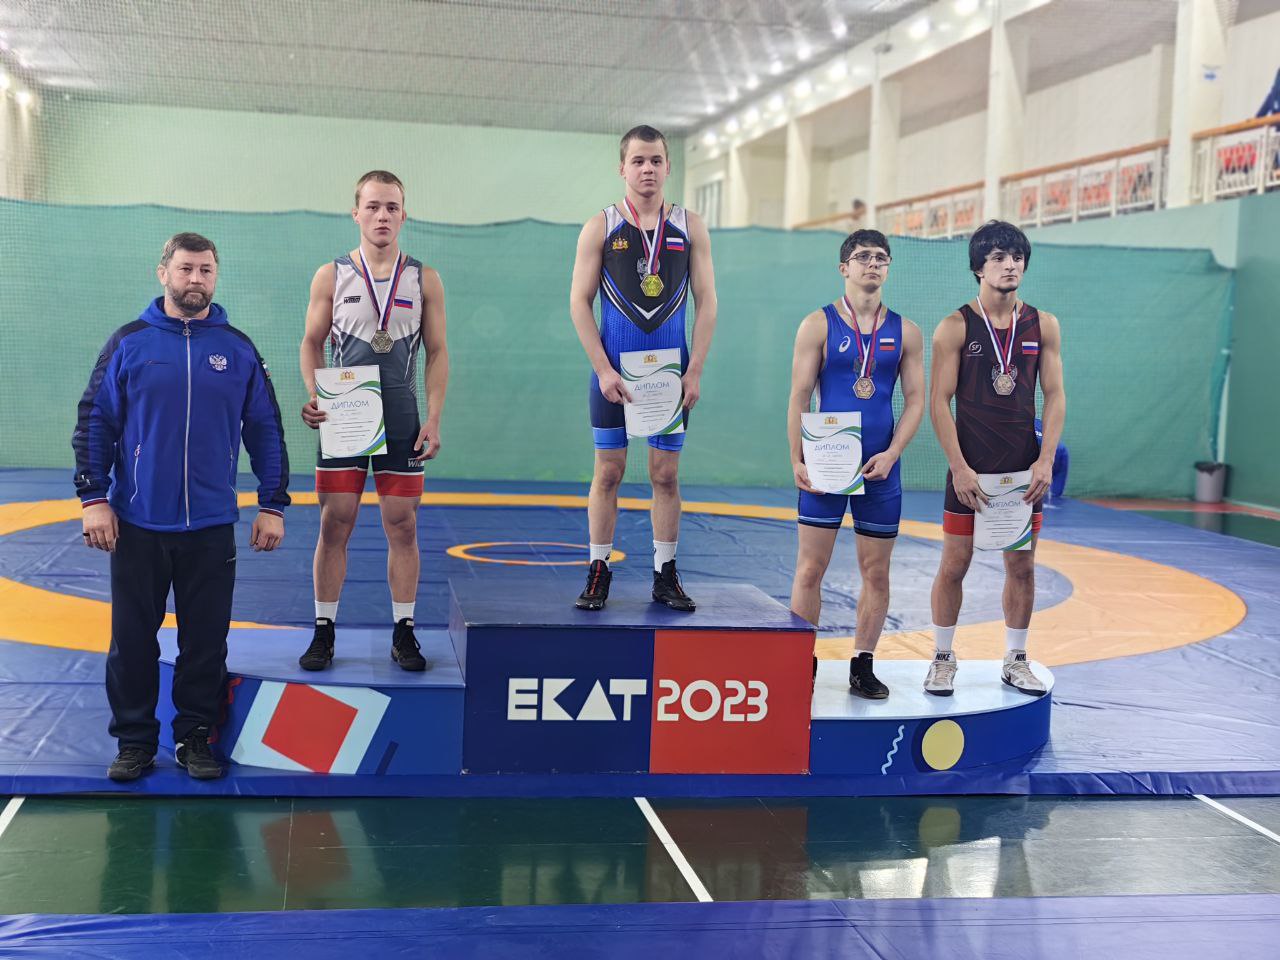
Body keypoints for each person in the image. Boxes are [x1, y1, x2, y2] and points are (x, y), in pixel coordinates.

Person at [73, 232, 290, 782]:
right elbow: (96, 421)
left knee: (206, 642)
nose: (196, 279)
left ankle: (195, 737)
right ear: (163, 272)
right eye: (187, 268)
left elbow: (265, 428)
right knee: (132, 641)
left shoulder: (238, 349)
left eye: (206, 270)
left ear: (216, 277)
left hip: (211, 526)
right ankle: (134, 741)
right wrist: (94, 498)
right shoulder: (130, 342)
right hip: (138, 523)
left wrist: (273, 504)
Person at [298, 170, 449, 672]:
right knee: (335, 521)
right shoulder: (331, 275)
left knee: (402, 524)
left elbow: (437, 351)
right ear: (356, 213)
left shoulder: (424, 278)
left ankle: (404, 630)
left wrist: (434, 418)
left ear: (404, 215)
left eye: (391, 207)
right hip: (344, 415)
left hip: (402, 416)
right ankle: (323, 629)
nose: (382, 215)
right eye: (373, 206)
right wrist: (314, 394)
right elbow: (311, 343)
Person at [569, 125, 718, 611]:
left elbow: (708, 301)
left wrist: (695, 370)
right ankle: (598, 569)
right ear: (622, 168)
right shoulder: (601, 226)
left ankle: (665, 573)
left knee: (665, 475)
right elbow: (579, 302)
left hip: (670, 377)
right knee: (608, 471)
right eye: (638, 161)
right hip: (613, 375)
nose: (647, 169)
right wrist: (602, 370)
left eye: (655, 160)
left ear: (668, 166)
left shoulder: (690, 226)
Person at [925, 221, 1065, 697]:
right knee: (954, 564)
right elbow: (938, 402)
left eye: (1017, 257)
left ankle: (1016, 659)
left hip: (1024, 469)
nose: (1010, 265)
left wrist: (1045, 460)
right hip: (971, 468)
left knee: (1022, 566)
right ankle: (942, 658)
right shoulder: (955, 326)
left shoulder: (1043, 324)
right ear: (978, 268)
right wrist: (959, 467)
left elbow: (1055, 394)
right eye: (999, 258)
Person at [788, 230, 925, 699]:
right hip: (825, 463)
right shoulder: (818, 325)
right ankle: (799, 663)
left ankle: (863, 663)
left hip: (880, 468)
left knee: (877, 572)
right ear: (844, 267)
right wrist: (796, 457)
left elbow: (916, 400)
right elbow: (799, 395)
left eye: (881, 258)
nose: (873, 264)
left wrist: (893, 453)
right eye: (863, 257)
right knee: (810, 568)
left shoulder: (906, 332)